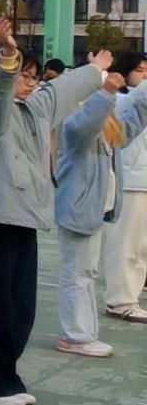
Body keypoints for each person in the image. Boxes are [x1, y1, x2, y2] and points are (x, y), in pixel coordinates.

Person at [0, 20, 105, 405]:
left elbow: (61, 90)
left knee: (22, 308)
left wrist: (96, 70)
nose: (30, 82)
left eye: (33, 76)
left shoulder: (37, 109)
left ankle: (5, 374)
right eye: (23, 75)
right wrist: (8, 54)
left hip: (26, 219)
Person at [51, 61, 147, 361]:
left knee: (86, 273)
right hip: (77, 209)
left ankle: (83, 333)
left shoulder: (104, 128)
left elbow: (131, 123)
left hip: (91, 209)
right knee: (78, 274)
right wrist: (105, 92)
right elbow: (86, 124)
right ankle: (75, 336)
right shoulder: (73, 123)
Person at [100, 52, 147, 326]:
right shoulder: (119, 99)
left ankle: (132, 295)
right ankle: (120, 300)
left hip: (143, 180)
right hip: (130, 181)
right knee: (126, 245)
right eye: (140, 70)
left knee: (141, 247)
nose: (144, 75)